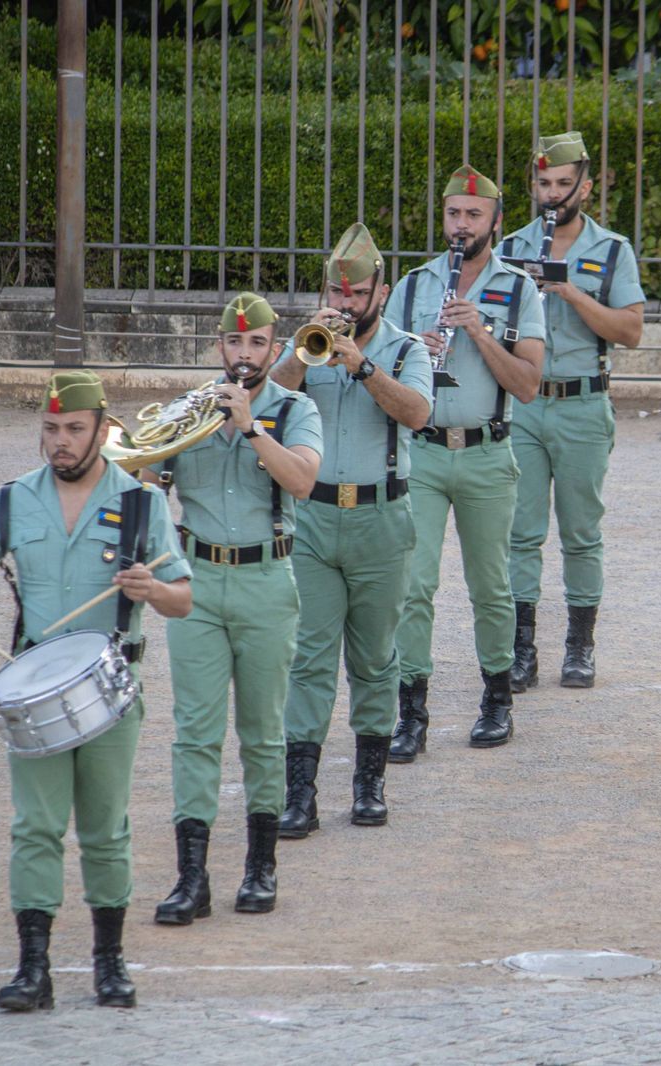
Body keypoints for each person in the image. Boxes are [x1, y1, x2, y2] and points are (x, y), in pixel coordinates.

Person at [0, 370, 192, 1012]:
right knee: (36, 827)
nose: (61, 441)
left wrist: (153, 591)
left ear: (102, 430)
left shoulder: (142, 503)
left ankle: (109, 962)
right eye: (51, 429)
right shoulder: (13, 500)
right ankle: (34, 967)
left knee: (106, 830)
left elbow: (184, 598)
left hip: (112, 689)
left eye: (74, 429)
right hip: (32, 692)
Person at [150, 292, 322, 925]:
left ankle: (260, 867)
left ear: (275, 348)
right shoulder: (187, 409)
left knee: (262, 733)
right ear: (219, 347)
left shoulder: (295, 409)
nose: (244, 355)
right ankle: (191, 879)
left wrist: (251, 427)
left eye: (257, 344)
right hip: (196, 582)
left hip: (266, 581)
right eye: (234, 343)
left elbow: (303, 480)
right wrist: (144, 472)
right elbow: (145, 478)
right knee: (194, 734)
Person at [270, 225, 431, 835]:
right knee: (308, 656)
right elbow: (267, 400)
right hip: (313, 518)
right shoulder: (308, 348)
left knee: (373, 657)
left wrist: (362, 368)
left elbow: (418, 413)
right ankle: (300, 794)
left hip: (381, 519)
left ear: (382, 292)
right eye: (340, 295)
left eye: (359, 295)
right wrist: (298, 352)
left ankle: (368, 784)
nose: (348, 306)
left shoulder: (406, 348)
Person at [383, 164, 544, 756]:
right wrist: (413, 356)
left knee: (490, 586)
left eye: (473, 215)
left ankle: (496, 698)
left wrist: (480, 334)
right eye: (453, 213)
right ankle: (413, 711)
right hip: (422, 452)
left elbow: (528, 385)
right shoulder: (414, 285)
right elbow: (384, 372)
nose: (461, 225)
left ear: (496, 222)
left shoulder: (518, 289)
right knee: (413, 584)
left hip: (486, 453)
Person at [499, 132, 645, 692]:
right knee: (520, 532)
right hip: (525, 405)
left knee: (582, 532)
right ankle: (521, 649)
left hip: (584, 403)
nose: (553, 195)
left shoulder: (612, 251)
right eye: (544, 185)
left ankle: (580, 647)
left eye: (564, 184)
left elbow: (630, 332)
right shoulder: (510, 246)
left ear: (585, 185)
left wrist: (569, 292)